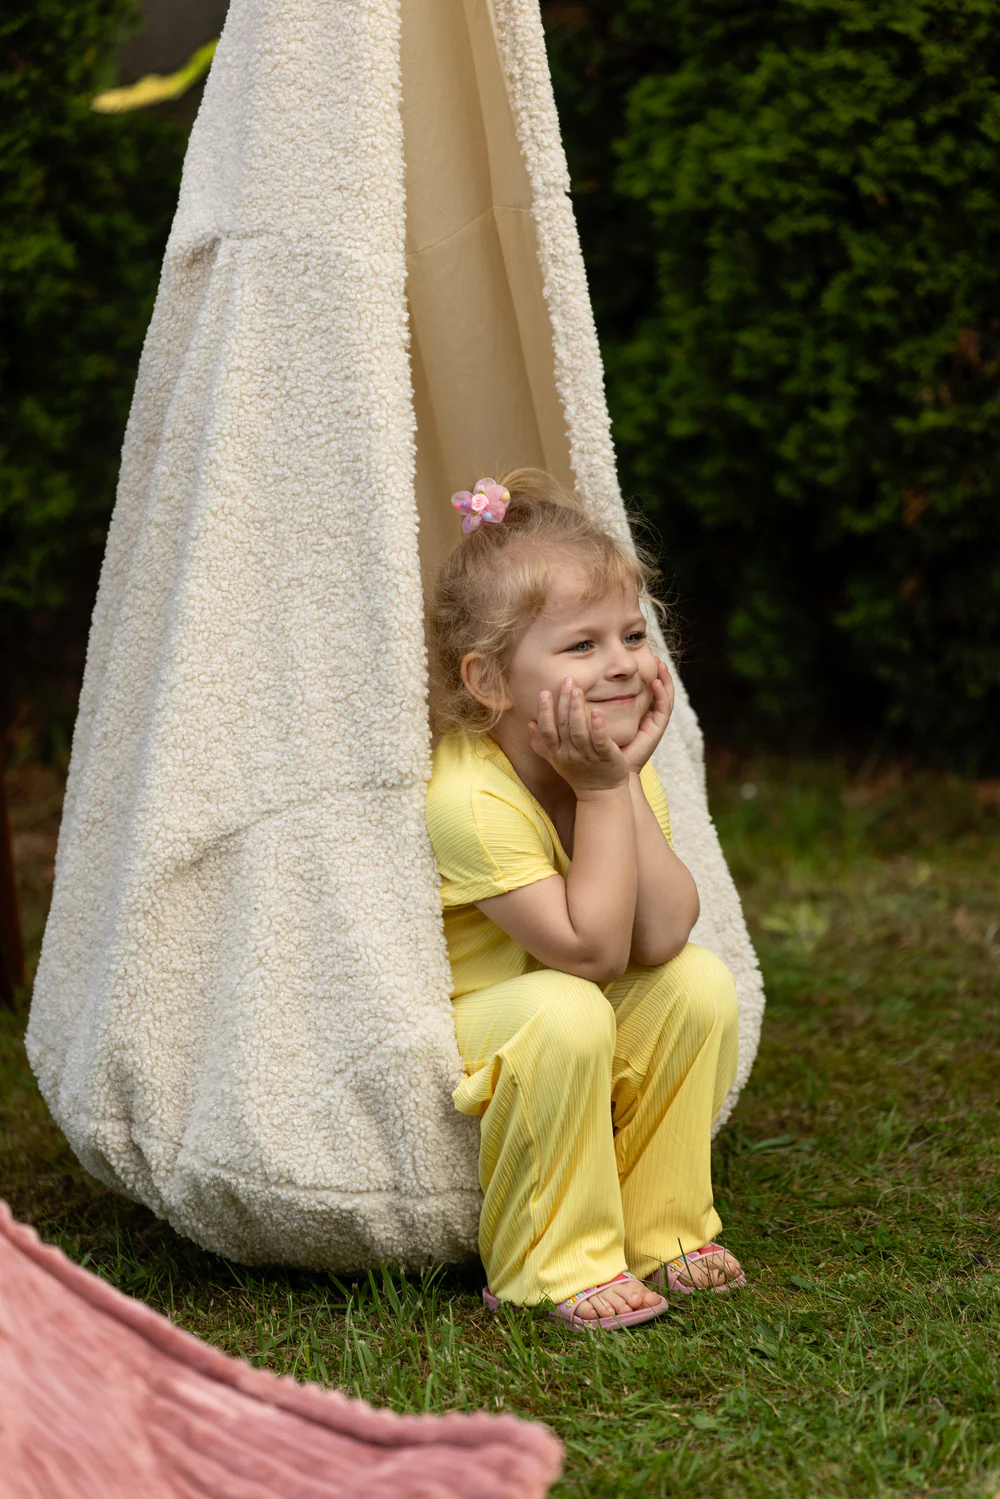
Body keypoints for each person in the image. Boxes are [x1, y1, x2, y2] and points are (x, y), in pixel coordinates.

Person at [424, 469, 744, 1331]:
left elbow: (663, 933)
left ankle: (664, 1230)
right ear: (491, 680)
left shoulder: (605, 762)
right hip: (489, 1020)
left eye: (632, 634)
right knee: (566, 1009)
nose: (623, 662)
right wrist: (605, 792)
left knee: (698, 982)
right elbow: (593, 955)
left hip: (572, 1006)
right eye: (582, 645)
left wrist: (620, 785)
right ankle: (551, 1264)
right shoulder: (471, 799)